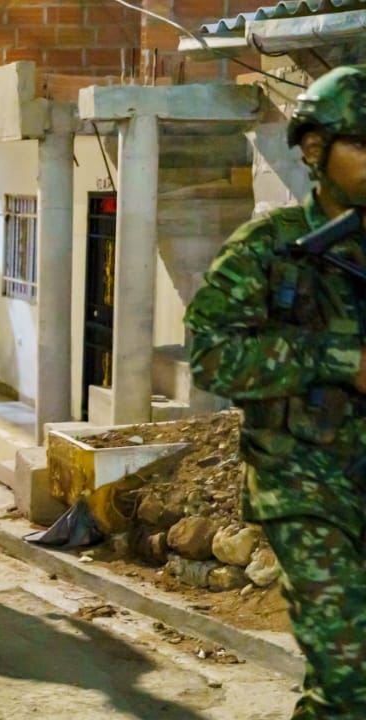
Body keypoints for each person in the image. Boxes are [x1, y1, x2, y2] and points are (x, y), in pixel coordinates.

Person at [185, 65, 366, 719]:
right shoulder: (270, 250)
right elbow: (209, 355)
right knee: (350, 680)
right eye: (362, 144)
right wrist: (337, 359)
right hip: (307, 486)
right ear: (315, 149)